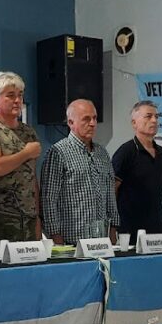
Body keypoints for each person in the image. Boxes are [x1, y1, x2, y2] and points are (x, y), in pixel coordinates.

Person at [0, 71, 41, 254]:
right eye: (10, 96)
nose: (17, 101)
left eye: (20, 95)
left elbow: (31, 176)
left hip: (27, 217)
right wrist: (26, 153)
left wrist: (37, 216)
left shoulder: (28, 132)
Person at [41, 99, 119, 245]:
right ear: (71, 122)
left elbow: (110, 195)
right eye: (86, 119)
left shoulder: (102, 153)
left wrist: (113, 229)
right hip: (71, 242)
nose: (93, 123)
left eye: (95, 118)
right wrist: (55, 237)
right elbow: (49, 199)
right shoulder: (58, 152)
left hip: (101, 241)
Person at [112, 100, 162, 244]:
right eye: (148, 116)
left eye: (156, 116)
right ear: (134, 123)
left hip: (156, 225)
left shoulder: (161, 153)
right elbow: (113, 189)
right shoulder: (126, 152)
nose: (154, 120)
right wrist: (112, 226)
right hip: (131, 227)